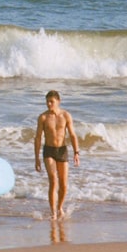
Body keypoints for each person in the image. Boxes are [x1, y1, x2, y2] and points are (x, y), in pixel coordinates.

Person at [34, 90, 80, 220]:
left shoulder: (66, 116)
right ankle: (53, 212)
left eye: (51, 102)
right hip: (48, 151)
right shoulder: (43, 117)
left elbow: (72, 135)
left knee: (64, 184)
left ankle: (60, 207)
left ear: (58, 101)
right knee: (53, 180)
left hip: (62, 150)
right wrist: (37, 158)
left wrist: (76, 152)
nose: (49, 104)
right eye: (47, 102)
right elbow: (37, 138)